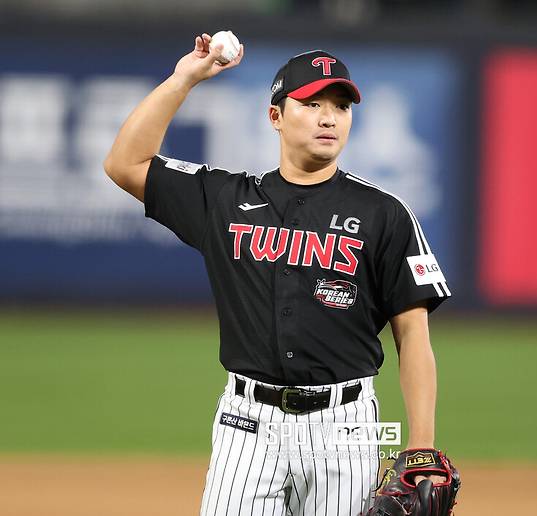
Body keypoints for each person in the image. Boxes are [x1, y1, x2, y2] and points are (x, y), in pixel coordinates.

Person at [104, 33, 451, 516]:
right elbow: (125, 163)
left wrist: (421, 446)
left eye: (341, 106)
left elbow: (413, 336)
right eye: (312, 103)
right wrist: (184, 79)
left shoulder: (384, 214)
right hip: (245, 423)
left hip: (346, 427)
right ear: (275, 117)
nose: (329, 117)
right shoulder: (225, 201)